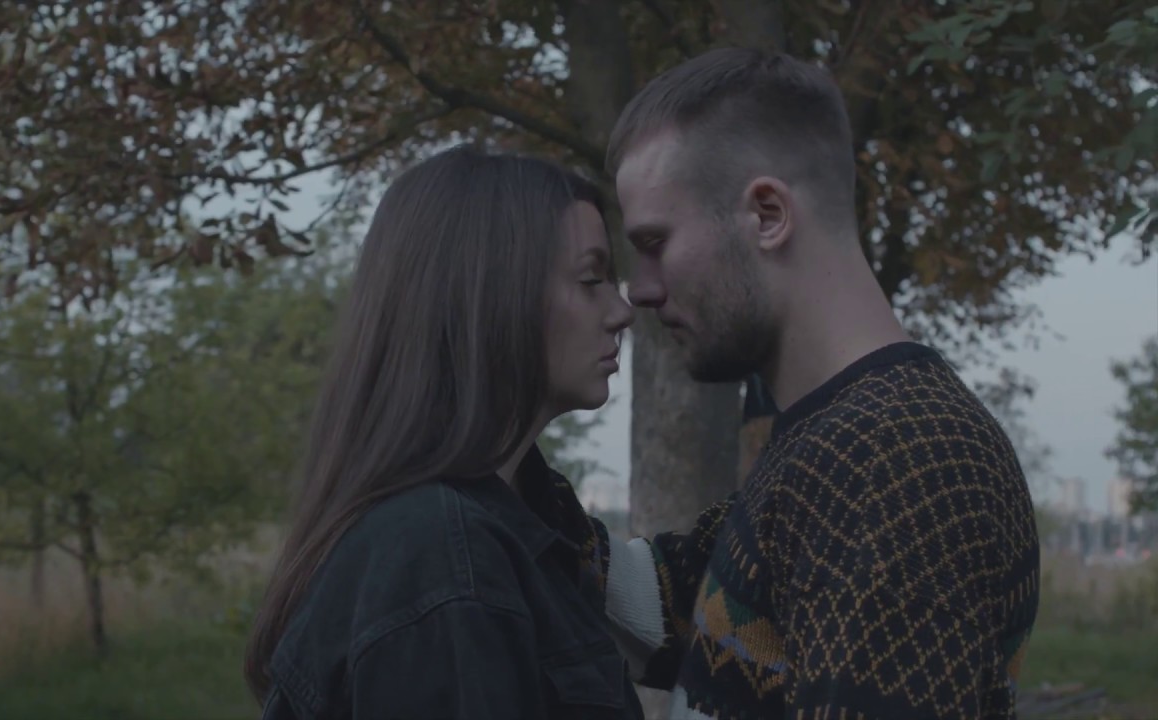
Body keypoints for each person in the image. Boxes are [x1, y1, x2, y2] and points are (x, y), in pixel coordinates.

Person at [539, 47, 1041, 719]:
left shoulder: (898, 459)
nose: (643, 291)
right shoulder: (833, 441)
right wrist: (488, 442)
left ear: (768, 214)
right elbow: (679, 607)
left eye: (655, 244)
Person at [243, 145, 643, 719]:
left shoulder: (522, 526)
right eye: (591, 279)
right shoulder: (442, 561)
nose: (622, 312)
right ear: (490, 293)